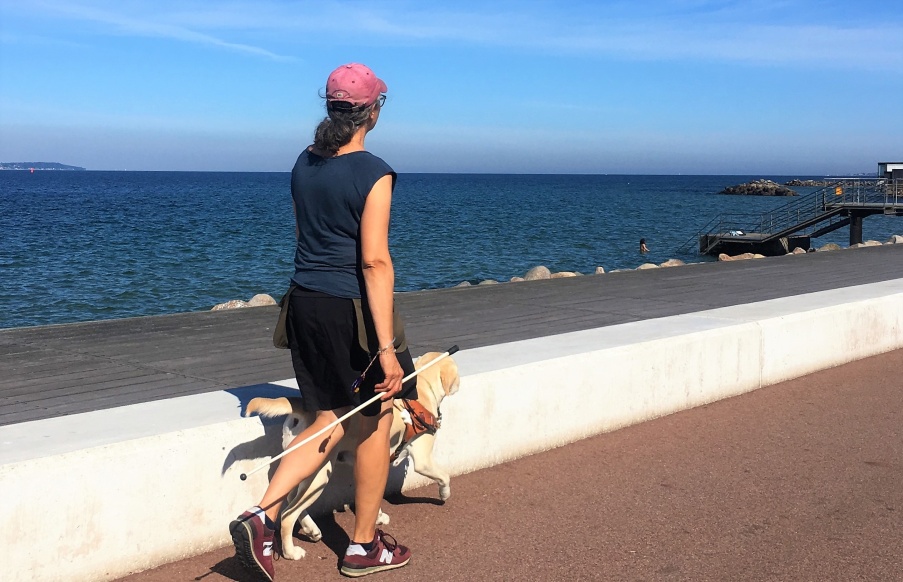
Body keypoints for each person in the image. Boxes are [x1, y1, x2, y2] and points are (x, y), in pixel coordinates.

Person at [229, 63, 416, 581]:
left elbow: (305, 233)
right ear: (372, 111)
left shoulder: (304, 163)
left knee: (328, 420)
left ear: (330, 107)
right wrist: (384, 349)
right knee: (375, 420)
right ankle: (363, 546)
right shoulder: (373, 171)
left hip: (304, 304)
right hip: (347, 311)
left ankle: (261, 515)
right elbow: (374, 263)